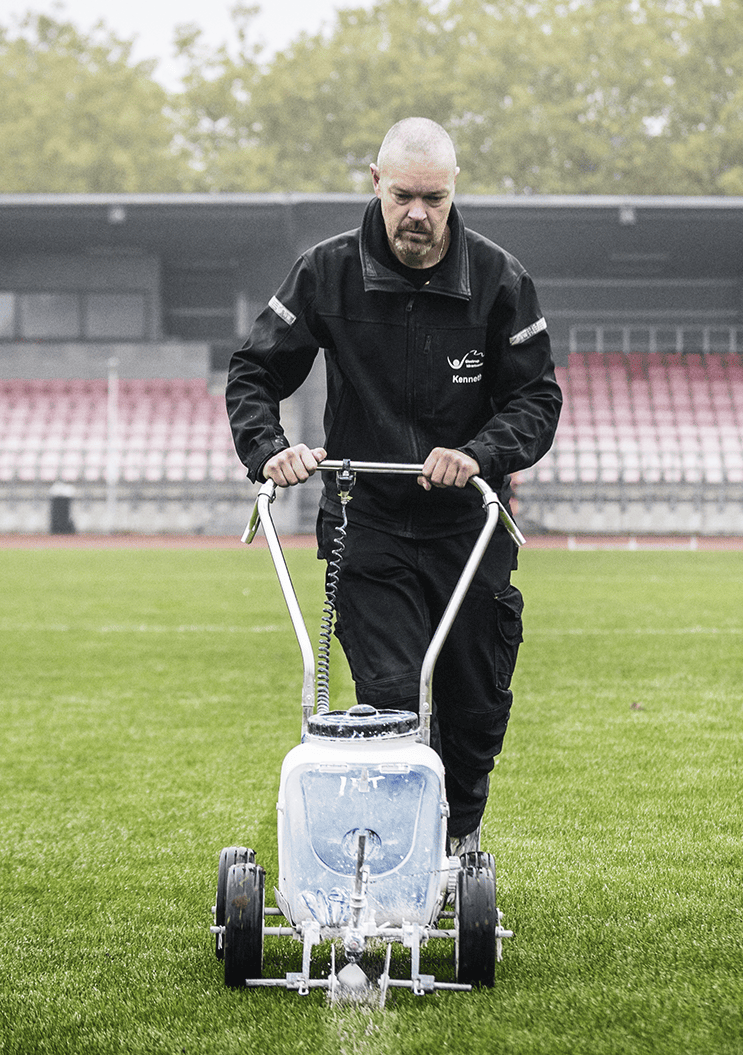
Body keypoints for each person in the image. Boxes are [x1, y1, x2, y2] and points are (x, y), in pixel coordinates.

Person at [226, 116, 561, 856]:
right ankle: (393, 857)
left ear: (453, 191)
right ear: (376, 183)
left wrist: (477, 453)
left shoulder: (500, 281)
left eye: (434, 198)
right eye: (404, 195)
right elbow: (254, 371)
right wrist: (271, 450)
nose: (418, 213)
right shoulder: (326, 272)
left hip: (467, 532)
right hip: (365, 524)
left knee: (475, 710)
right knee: (394, 698)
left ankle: (460, 835)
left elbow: (537, 400)